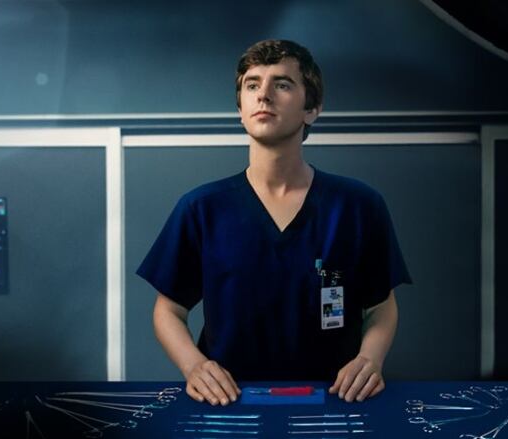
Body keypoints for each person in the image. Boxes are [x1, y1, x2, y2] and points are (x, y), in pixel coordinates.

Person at [136, 39, 411, 407]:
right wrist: (194, 366)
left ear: (311, 108)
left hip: (332, 400)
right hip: (230, 403)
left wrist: (370, 359)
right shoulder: (202, 208)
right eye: (252, 85)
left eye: (282, 84)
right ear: (241, 109)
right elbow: (167, 310)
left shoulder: (358, 206)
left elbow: (380, 306)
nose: (263, 95)